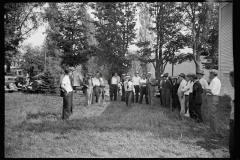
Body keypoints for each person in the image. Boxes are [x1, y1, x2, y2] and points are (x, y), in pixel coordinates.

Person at [205, 69, 221, 133]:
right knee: (211, 114)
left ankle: (215, 130)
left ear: (212, 74)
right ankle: (212, 129)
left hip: (213, 98)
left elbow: (212, 91)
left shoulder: (215, 81)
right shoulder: (213, 81)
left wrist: (206, 90)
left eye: (210, 73)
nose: (209, 75)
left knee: (213, 115)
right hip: (211, 98)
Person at [228, 70, 234, 158]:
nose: (229, 80)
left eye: (230, 79)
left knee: (233, 145)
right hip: (232, 120)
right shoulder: (233, 91)